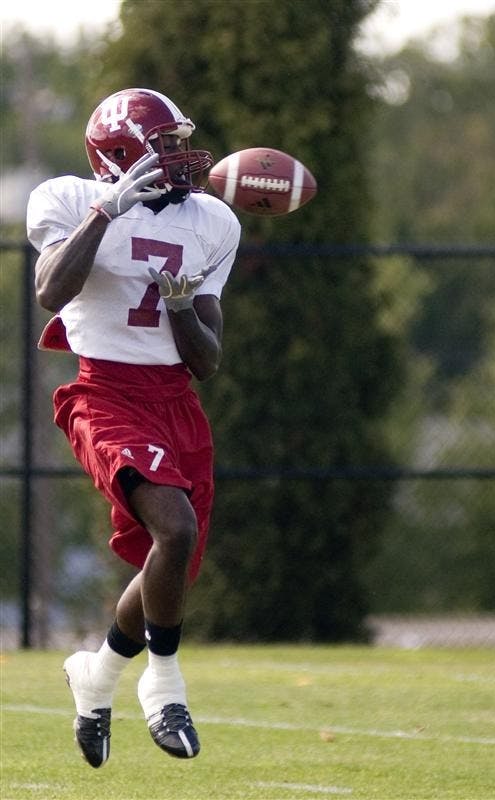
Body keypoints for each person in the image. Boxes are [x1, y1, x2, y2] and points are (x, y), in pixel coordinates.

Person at [26, 87, 241, 768]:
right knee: (173, 529)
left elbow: (206, 360)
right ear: (121, 156)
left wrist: (182, 306)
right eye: (167, 145)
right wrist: (104, 212)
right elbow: (51, 292)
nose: (181, 157)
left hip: (175, 400)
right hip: (105, 392)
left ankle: (99, 674)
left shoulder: (212, 222)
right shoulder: (64, 199)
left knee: (169, 560)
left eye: (181, 144)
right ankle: (165, 686)